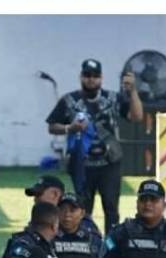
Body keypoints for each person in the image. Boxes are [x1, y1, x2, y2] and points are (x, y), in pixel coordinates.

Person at [46, 58, 143, 232]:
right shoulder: (69, 100)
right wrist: (70, 127)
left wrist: (133, 91)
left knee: (111, 209)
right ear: (81, 77)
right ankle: (85, 243)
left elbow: (137, 116)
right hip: (81, 164)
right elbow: (52, 126)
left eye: (95, 75)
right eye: (87, 75)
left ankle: (111, 248)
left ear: (101, 78)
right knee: (81, 209)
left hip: (109, 164)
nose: (91, 79)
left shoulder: (113, 98)